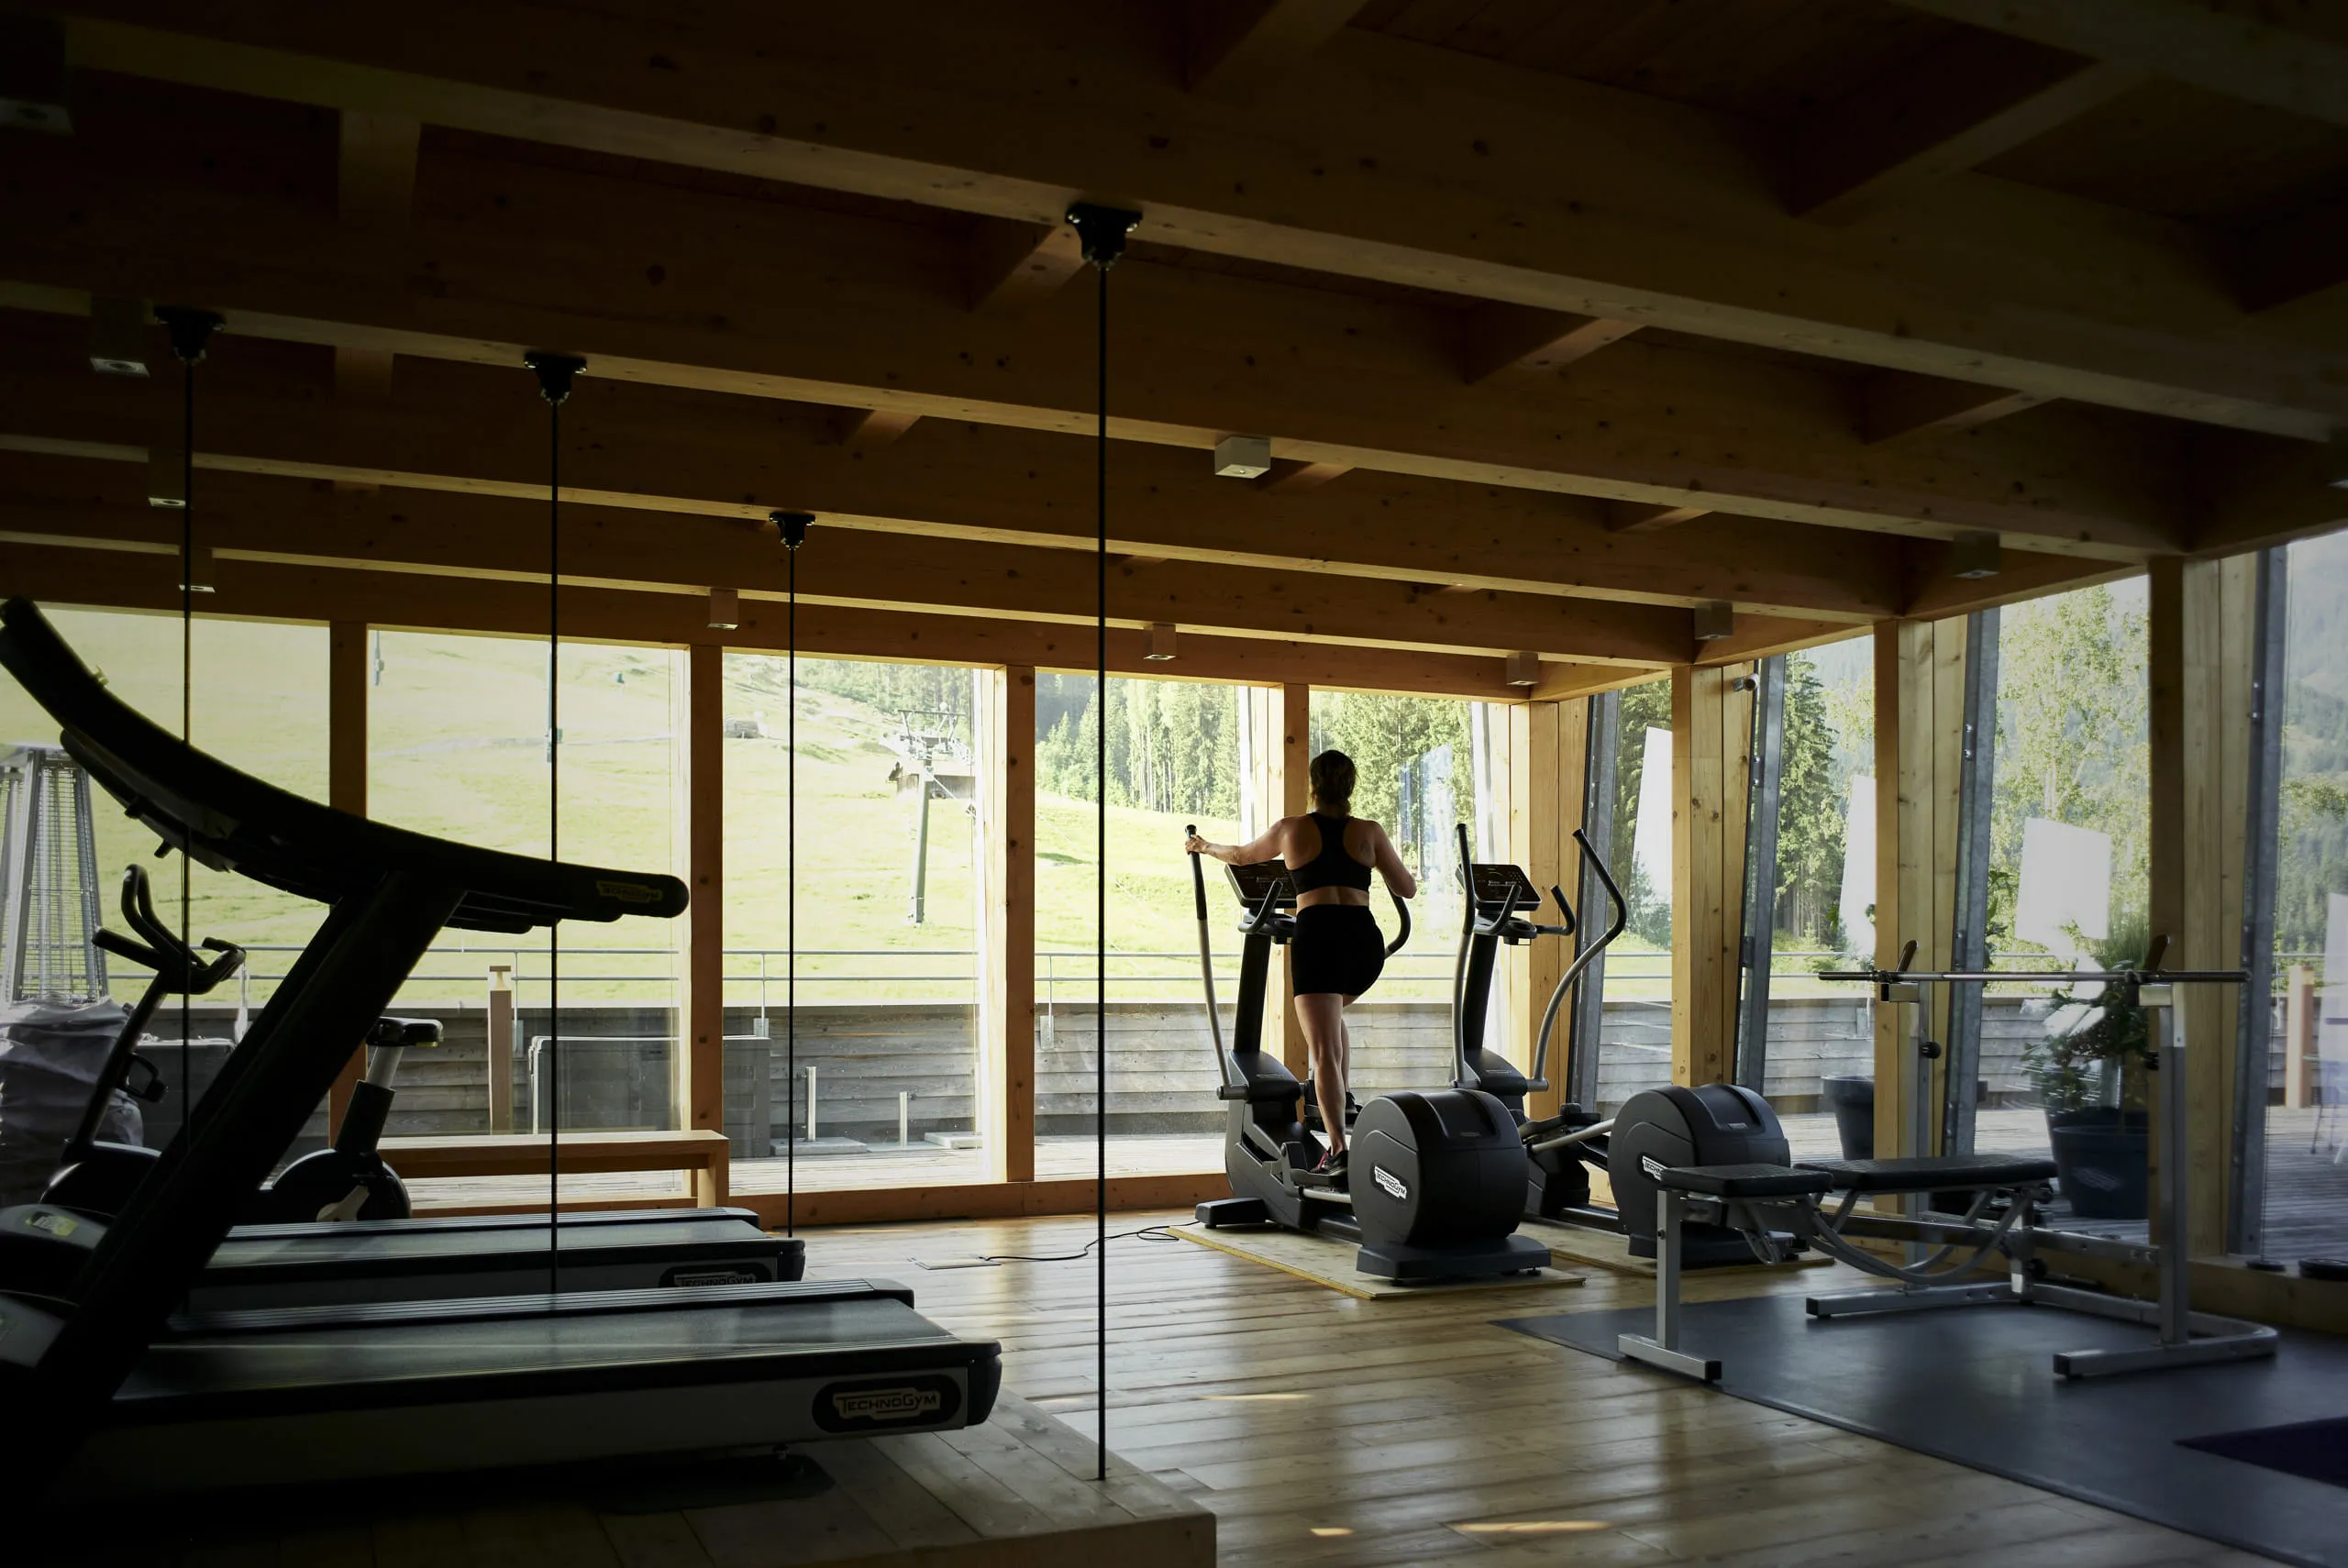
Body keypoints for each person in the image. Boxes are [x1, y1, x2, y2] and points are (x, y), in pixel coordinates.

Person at [1185, 750, 1414, 1182]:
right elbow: (1407, 887)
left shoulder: (1292, 829)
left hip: (1320, 936)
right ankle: (1340, 1102)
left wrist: (1203, 845)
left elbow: (1240, 856)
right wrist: (1370, 860)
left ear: (1314, 785)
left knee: (1323, 1050)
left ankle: (1340, 1150)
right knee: (1331, 1021)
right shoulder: (1370, 832)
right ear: (1351, 787)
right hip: (1365, 942)